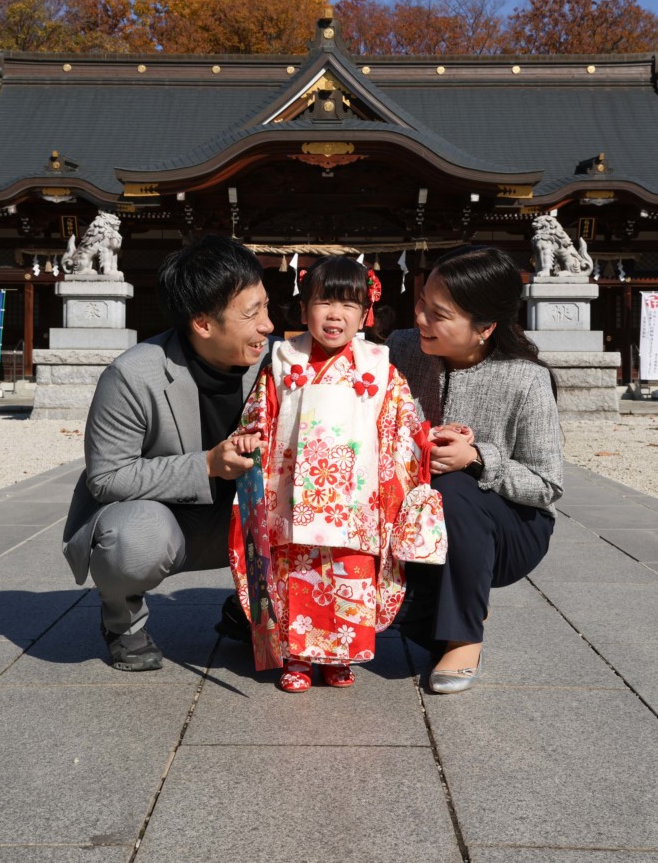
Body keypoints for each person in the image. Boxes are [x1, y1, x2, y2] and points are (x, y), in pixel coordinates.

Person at [229, 256, 446, 692]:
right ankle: (298, 657)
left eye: (349, 304)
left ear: (366, 312)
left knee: (350, 573)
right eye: (324, 301)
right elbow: (260, 416)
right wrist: (251, 436)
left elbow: (402, 421)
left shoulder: (380, 365)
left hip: (356, 495)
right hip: (291, 492)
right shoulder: (282, 362)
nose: (335, 314)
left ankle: (339, 655)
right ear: (304, 307)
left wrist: (428, 439)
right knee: (297, 574)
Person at [62, 235, 274, 671]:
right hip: (170, 522)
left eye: (266, 307)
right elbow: (106, 476)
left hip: (250, 519)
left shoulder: (278, 364)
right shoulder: (132, 375)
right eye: (252, 314)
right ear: (203, 324)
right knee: (133, 539)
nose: (268, 326)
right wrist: (208, 465)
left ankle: (252, 607)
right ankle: (124, 623)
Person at [387, 245, 563, 693]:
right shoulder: (400, 350)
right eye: (422, 302)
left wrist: (478, 457)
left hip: (509, 530)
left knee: (454, 487)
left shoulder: (525, 379)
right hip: (414, 519)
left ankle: (464, 636)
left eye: (439, 314)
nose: (422, 318)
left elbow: (545, 485)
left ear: (484, 327)